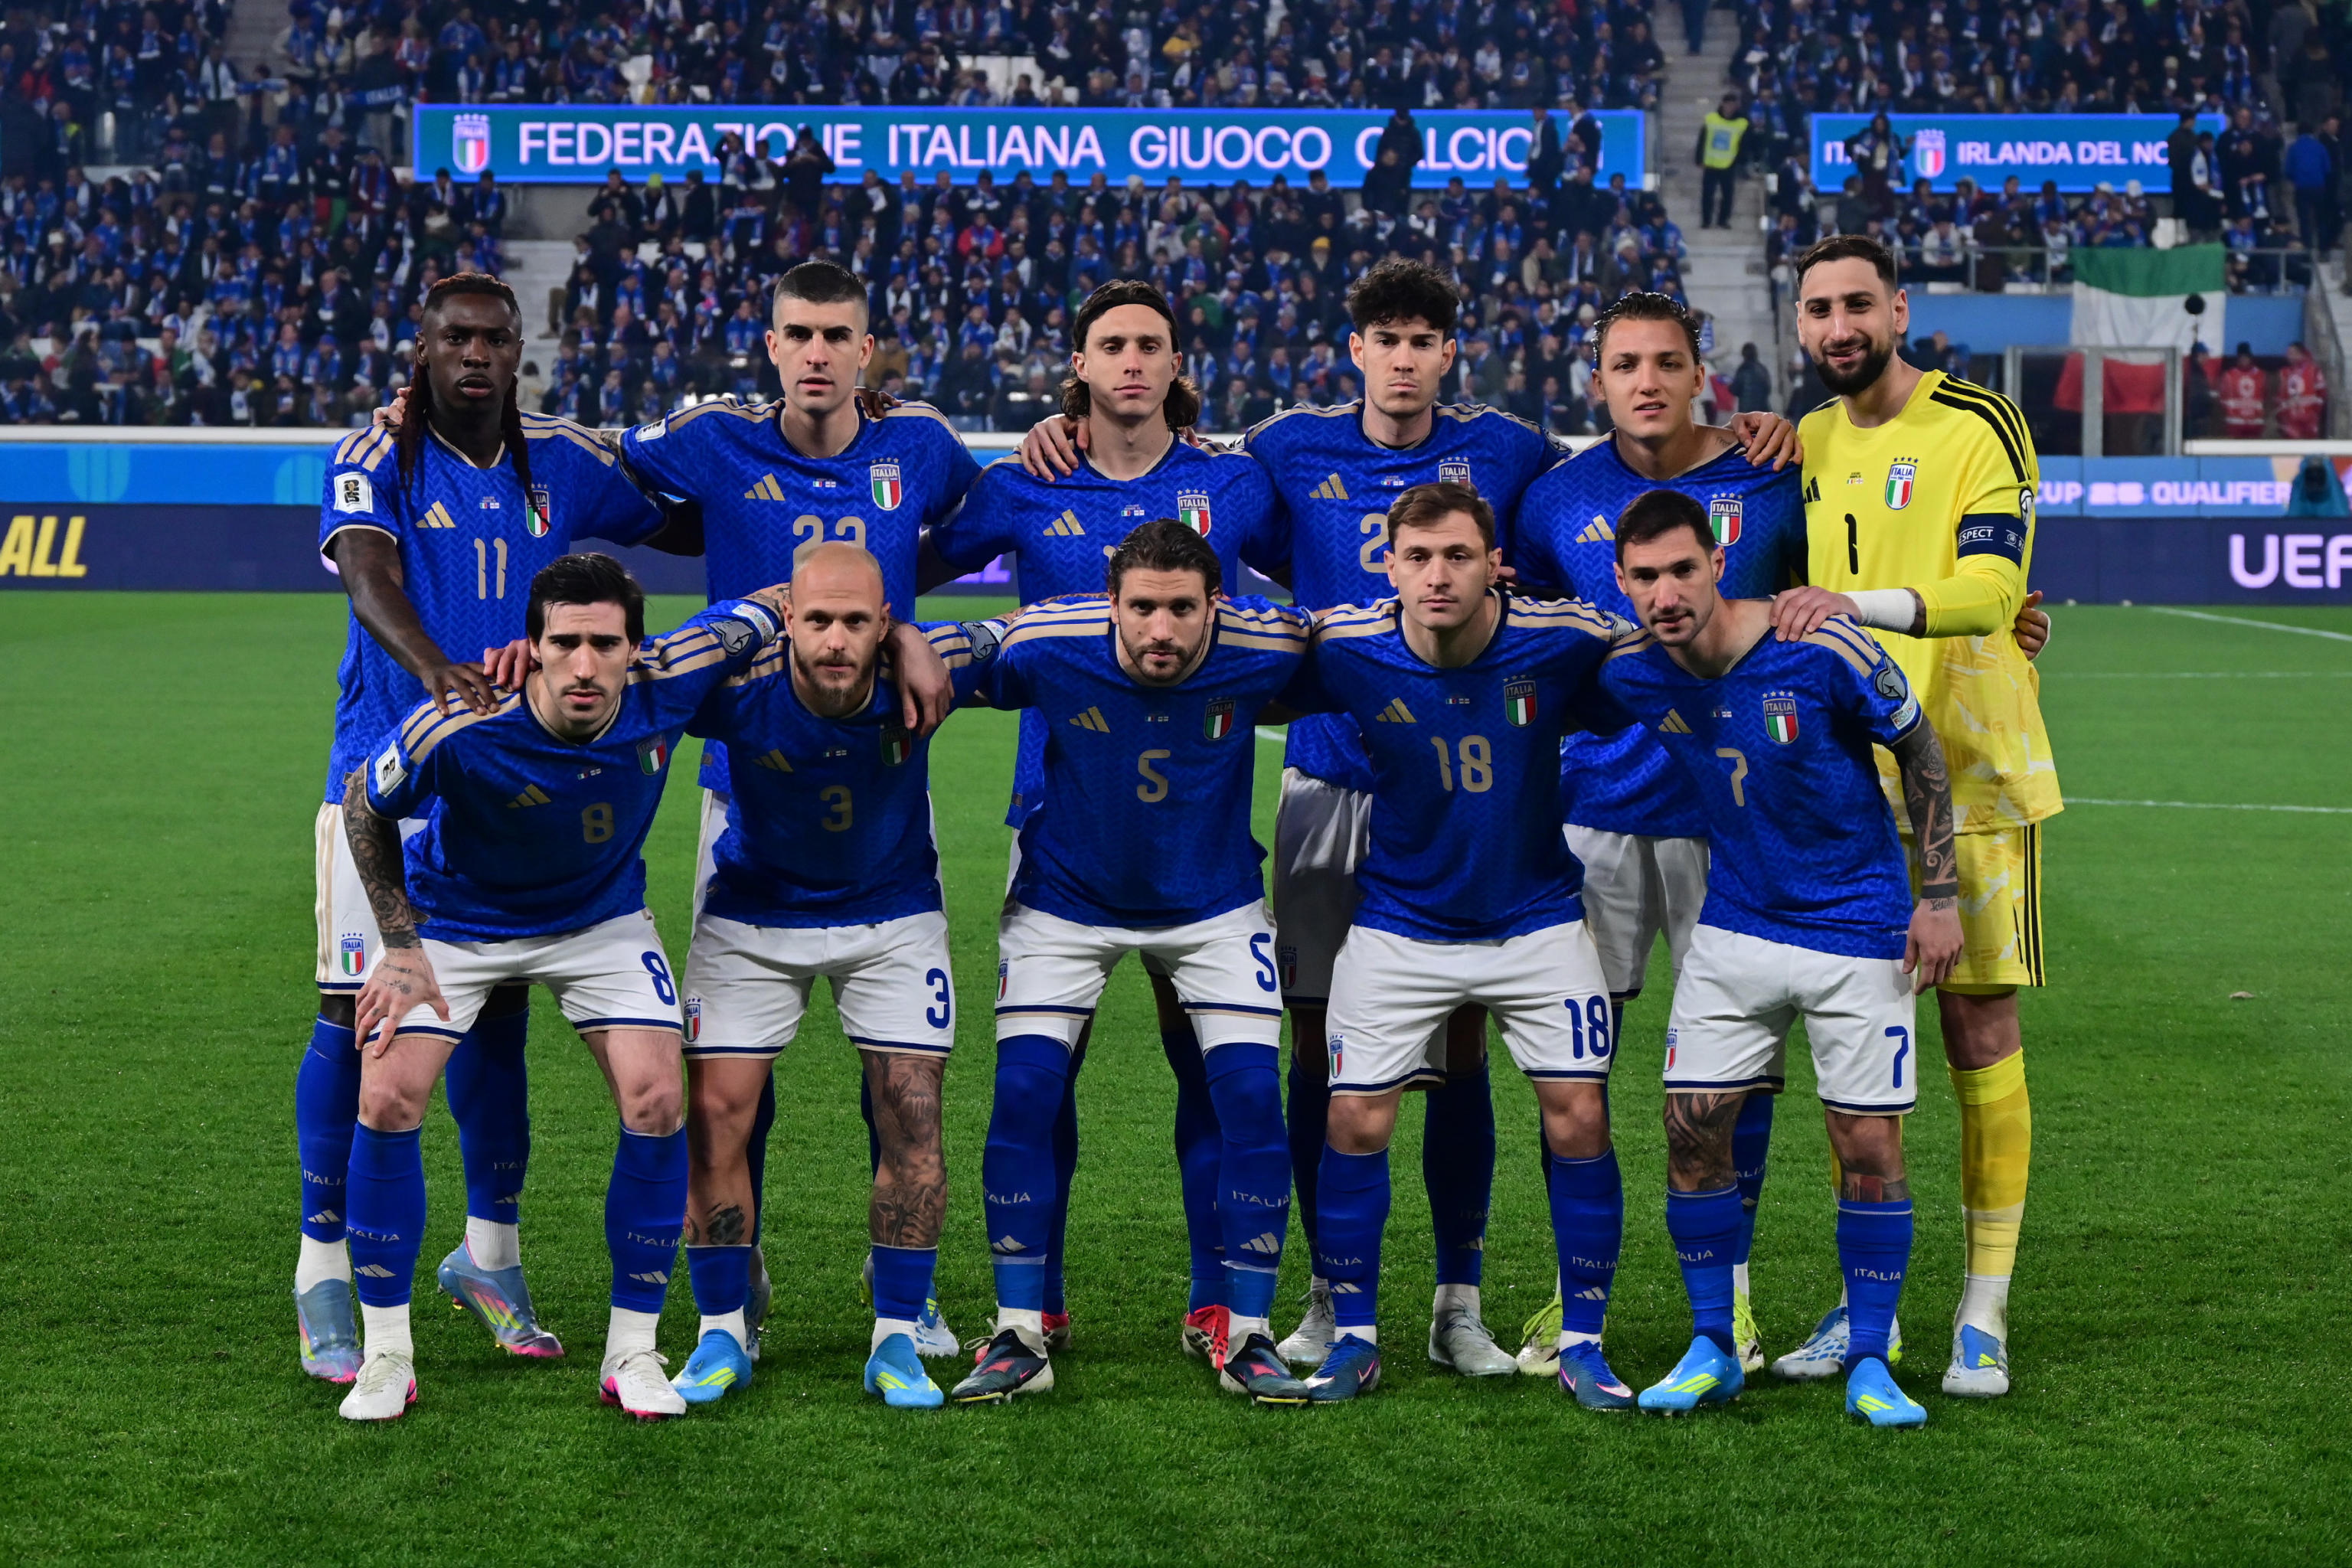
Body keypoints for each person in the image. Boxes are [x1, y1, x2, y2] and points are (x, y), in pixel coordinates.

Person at [300, 273, 688, 1386]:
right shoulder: (373, 454)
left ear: (523, 352)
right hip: (382, 773)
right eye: (453, 336)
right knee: (357, 1015)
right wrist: (439, 676)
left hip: (517, 780)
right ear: (418, 346)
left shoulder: (563, 461)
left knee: (497, 1008)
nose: (474, 354)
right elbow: (367, 572)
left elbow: (691, 506)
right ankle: (321, 1266)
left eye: (494, 339)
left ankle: (491, 1254)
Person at [333, 554, 786, 1421]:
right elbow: (364, 802)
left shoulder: (675, 675)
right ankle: (387, 1353)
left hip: (598, 920)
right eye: (566, 642)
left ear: (635, 648)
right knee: (386, 1097)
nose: (586, 665)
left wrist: (845, 612)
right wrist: (398, 946)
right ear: (531, 648)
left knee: (658, 1096)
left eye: (605, 644)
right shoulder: (460, 721)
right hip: (458, 920)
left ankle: (634, 1351)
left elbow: (769, 605)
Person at [923, 280, 1284, 1357]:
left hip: (1202, 840)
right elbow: (906, 568)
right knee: (1045, 1076)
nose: (1132, 361)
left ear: (1179, 364)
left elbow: (1322, 592)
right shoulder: (1023, 484)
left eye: (1151, 346)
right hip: (1060, 822)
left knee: (1211, 1077)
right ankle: (1041, 1302)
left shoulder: (1239, 481)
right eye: (1111, 345)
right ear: (1077, 364)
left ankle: (1220, 1301)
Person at [1598, 488, 1960, 1429]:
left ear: (1719, 560)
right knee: (1690, 1129)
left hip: (1860, 927)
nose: (1667, 591)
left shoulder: (1820, 648)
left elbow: (1920, 747)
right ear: (1622, 582)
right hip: (1733, 927)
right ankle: (1715, 1343)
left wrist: (1940, 897)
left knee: (1869, 1144)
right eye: (1645, 576)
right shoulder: (1631, 669)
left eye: (1683, 568)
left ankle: (1873, 1357)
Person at [1777, 234, 2063, 1399]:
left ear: (1898, 309)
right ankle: (1868, 1301)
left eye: (1857, 305)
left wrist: (1863, 605)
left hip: (1975, 772)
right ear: (1799, 326)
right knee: (1860, 1053)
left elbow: (1996, 588)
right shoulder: (1801, 440)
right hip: (1849, 781)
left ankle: (1983, 1311)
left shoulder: (1976, 421)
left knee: (1978, 1034)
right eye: (1817, 311)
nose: (1838, 327)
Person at [1508, 292, 1808, 1381]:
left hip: (1738, 821)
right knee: (1576, 1067)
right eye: (1625, 363)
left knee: (1739, 1077)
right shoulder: (1553, 500)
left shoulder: (1773, 476)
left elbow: (1827, 598)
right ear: (1598, 379)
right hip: (1591, 816)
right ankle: (1573, 1296)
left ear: (1701, 373)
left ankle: (1731, 1300)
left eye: (1667, 362)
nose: (1647, 380)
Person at [946, 521, 1313, 1407]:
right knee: (1025, 1094)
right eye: (1141, 606)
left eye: (1182, 608)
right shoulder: (1052, 638)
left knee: (1252, 1101)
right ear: (1112, 601)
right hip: (1065, 904)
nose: (1161, 628)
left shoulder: (1268, 643)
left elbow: (1365, 639)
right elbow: (955, 651)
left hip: (1214, 903)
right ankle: (1021, 1328)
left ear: (1214, 605)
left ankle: (1245, 1328)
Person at [1279, 482, 1626, 1406]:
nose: (1439, 575)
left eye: (1460, 555)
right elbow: (1212, 653)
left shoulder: (1563, 638)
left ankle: (1584, 1341)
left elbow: (1684, 649)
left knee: (1580, 1117)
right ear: (1387, 565)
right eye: (1420, 557)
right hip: (1399, 923)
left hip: (1538, 918)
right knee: (1354, 1117)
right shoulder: (1347, 645)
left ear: (1493, 562)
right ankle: (1354, 1336)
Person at [663, 543, 990, 1411]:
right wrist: (750, 614)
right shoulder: (735, 683)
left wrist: (922, 637)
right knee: (713, 1119)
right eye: (817, 619)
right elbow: (649, 670)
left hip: (892, 913)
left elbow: (1030, 638)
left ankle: (896, 1335)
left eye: (857, 621)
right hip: (753, 912)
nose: (837, 640)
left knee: (912, 1114)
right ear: (788, 620)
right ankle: (723, 1326)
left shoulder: (923, 666)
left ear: (885, 623)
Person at [1697, 93, 1749, 230]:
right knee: (1708, 194)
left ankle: (1723, 220)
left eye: (1733, 105)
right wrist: (1699, 158)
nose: (1730, 107)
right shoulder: (1711, 119)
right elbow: (1702, 139)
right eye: (1728, 104)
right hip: (1711, 163)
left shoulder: (1741, 123)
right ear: (1722, 104)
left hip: (1728, 164)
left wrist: (1741, 161)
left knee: (1728, 195)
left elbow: (1744, 143)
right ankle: (1706, 220)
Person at [2278, 340, 2328, 438]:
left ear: (2301, 354)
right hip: (2292, 419)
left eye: (2292, 353)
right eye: (2288, 354)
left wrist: (2315, 412)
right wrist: (2283, 415)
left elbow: (2322, 393)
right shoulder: (2286, 372)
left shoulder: (2313, 370)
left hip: (2309, 418)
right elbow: (2282, 396)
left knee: (2310, 448)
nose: (2289, 356)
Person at [2218, 343, 2269, 438]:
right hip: (2234, 423)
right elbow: (2222, 398)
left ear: (2251, 358)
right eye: (2241, 358)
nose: (2244, 360)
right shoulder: (2229, 376)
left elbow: (2265, 397)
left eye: (2246, 357)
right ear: (2237, 359)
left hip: (2255, 423)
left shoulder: (2260, 375)